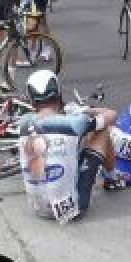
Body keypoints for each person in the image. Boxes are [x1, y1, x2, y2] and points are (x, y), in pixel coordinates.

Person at [17, 70, 119, 222]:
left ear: (31, 99)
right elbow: (112, 114)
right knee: (101, 131)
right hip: (71, 209)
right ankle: (112, 178)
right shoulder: (75, 123)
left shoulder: (24, 122)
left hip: (38, 208)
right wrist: (84, 110)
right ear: (58, 94)